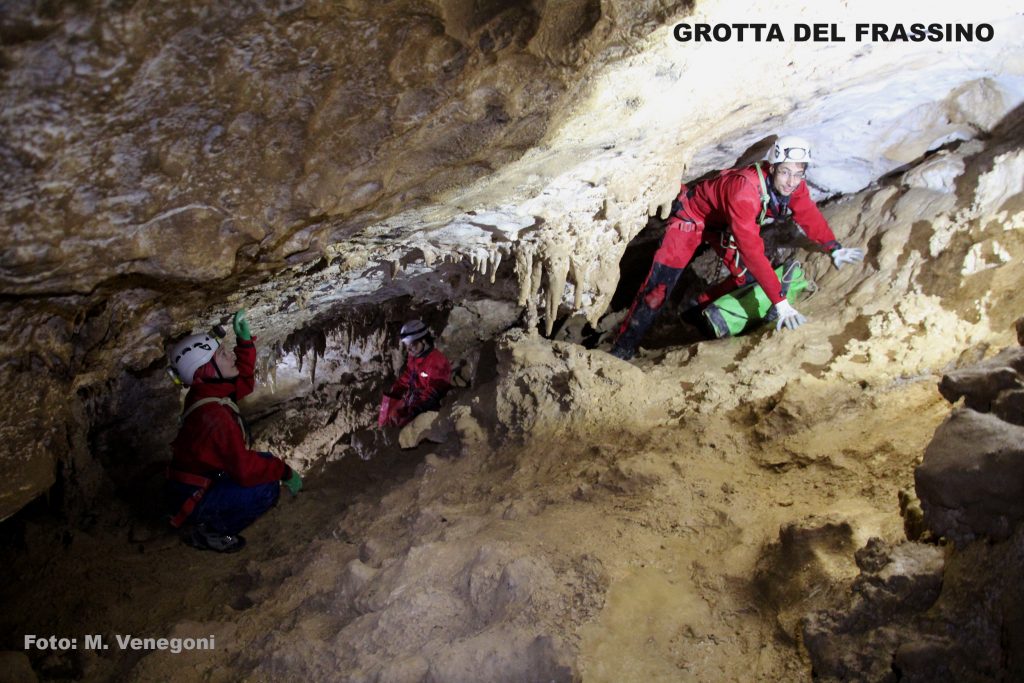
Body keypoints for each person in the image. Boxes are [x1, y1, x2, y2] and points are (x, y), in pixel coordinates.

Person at [611, 135, 865, 360]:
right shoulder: (745, 191)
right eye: (785, 172)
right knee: (659, 288)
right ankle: (623, 347)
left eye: (798, 173)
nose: (791, 181)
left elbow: (808, 213)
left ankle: (694, 309)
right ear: (772, 168)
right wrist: (780, 302)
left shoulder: (794, 186)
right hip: (692, 217)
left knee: (748, 277)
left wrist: (834, 247)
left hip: (721, 224)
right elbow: (752, 251)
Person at [164, 310, 302, 552]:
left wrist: (245, 344)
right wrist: (286, 472)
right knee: (266, 487)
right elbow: (245, 471)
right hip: (193, 496)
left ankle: (207, 520)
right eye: (221, 354)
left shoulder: (206, 393)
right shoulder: (214, 417)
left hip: (196, 482)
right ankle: (209, 531)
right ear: (205, 371)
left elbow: (243, 383)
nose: (229, 355)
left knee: (267, 462)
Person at [378, 320, 452, 429]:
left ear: (424, 341)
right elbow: (409, 375)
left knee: (399, 424)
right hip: (413, 399)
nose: (408, 349)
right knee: (389, 416)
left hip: (429, 406)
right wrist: (396, 392)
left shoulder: (437, 361)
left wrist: (411, 411)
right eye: (406, 345)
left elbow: (434, 392)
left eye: (412, 345)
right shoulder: (415, 356)